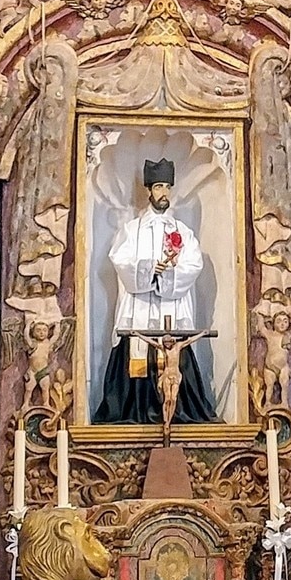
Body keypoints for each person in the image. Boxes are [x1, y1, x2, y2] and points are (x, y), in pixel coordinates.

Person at [96, 159, 215, 424]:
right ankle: (134, 413)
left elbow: (194, 265)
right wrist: (151, 269)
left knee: (175, 363)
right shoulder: (132, 230)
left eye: (167, 187)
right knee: (136, 355)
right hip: (139, 311)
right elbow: (120, 260)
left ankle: (178, 412)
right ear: (149, 190)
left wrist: (168, 274)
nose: (164, 193)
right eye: (158, 187)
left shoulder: (183, 232)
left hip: (172, 309)